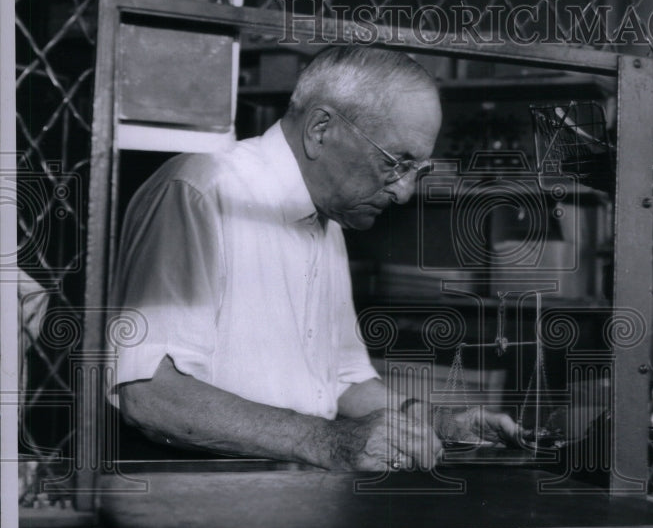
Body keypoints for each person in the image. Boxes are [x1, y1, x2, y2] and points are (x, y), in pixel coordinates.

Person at [109, 46, 520, 471]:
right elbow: (149, 394)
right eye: (395, 163)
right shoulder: (201, 189)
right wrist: (323, 441)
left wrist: (435, 424)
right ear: (321, 128)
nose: (404, 192)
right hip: (201, 505)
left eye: (420, 170)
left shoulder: (329, 216)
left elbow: (343, 382)